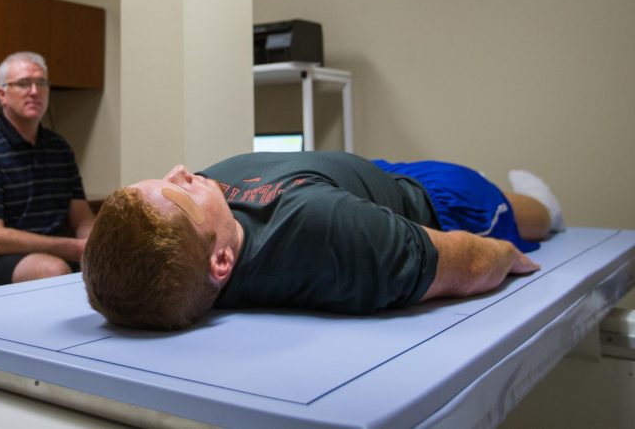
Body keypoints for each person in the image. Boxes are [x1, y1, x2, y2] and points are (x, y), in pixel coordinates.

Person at [82, 151, 566, 330]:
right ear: (223, 260)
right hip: (437, 198)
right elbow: (471, 263)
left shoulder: (196, 234)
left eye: (160, 178)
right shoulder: (331, 238)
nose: (182, 171)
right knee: (535, 218)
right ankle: (532, 200)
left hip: (371, 175)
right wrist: (504, 252)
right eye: (179, 189)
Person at [0, 51, 94, 292]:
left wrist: (95, 243)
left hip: (54, 251)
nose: (34, 91)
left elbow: (82, 216)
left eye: (41, 83)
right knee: (52, 270)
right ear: (2, 94)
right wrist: (76, 248)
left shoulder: (59, 147)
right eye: (23, 83)